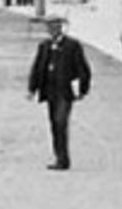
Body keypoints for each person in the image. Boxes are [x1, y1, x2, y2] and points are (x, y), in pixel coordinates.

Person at [27, 12, 92, 171]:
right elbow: (37, 68)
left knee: (60, 121)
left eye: (56, 25)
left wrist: (83, 89)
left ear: (61, 27)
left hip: (65, 91)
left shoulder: (72, 46)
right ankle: (58, 155)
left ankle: (63, 159)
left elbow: (83, 69)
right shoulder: (44, 46)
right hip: (50, 91)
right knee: (54, 124)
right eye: (49, 26)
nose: (52, 29)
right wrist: (32, 88)